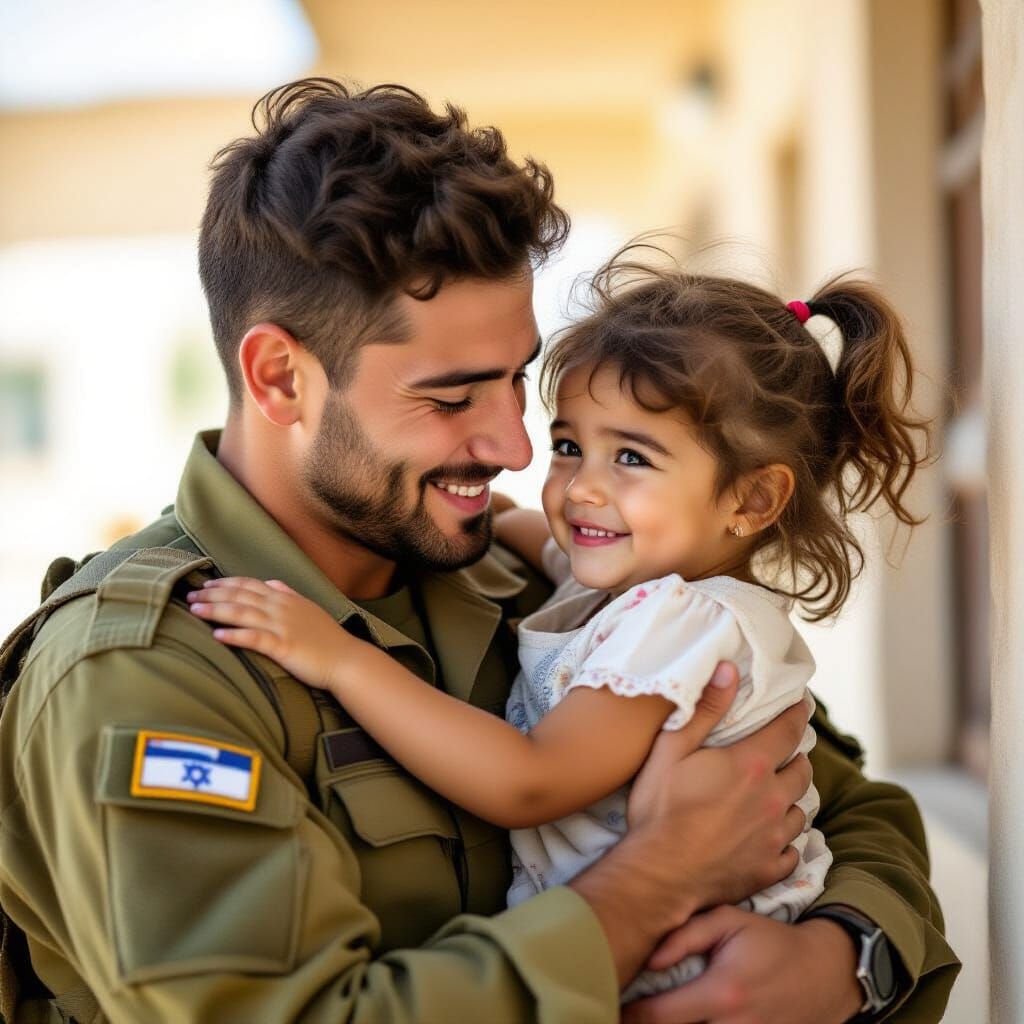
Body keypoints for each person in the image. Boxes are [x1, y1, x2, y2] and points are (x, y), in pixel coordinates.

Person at [0, 79, 958, 1024]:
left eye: (519, 382)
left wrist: (843, 957)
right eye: (453, 398)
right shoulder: (145, 674)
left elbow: (847, 806)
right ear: (280, 377)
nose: (515, 446)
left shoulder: (543, 577)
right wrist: (657, 877)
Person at [187, 251, 931, 1005]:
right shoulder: (640, 582)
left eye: (632, 457)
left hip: (684, 971)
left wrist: (340, 658)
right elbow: (544, 538)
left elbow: (529, 779)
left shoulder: (681, 625)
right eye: (571, 446)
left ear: (752, 500)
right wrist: (488, 514)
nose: (581, 489)